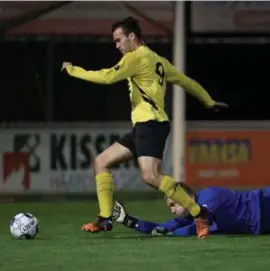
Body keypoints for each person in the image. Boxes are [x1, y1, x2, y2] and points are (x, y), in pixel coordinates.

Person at [61, 16, 228, 239]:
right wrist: (208, 101)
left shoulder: (136, 57)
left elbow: (108, 76)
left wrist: (73, 70)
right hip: (143, 126)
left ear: (132, 37)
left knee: (150, 176)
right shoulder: (158, 60)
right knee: (101, 162)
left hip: (151, 124)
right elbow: (186, 81)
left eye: (119, 40)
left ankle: (199, 212)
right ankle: (105, 218)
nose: (117, 46)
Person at [112, 184, 270, 237]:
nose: (173, 210)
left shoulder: (211, 196)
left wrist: (173, 234)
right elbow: (161, 229)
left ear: (189, 196)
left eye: (174, 204)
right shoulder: (191, 214)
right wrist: (129, 221)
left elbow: (198, 226)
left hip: (265, 204)